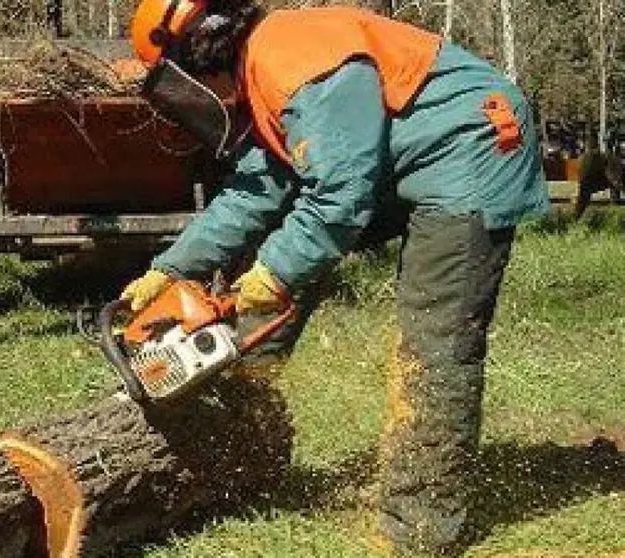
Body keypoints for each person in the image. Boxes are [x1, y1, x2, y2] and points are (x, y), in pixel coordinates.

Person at [118, 1, 550, 556]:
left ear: (191, 60)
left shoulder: (293, 60)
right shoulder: (265, 72)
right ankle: (245, 416)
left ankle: (417, 528)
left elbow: (340, 195)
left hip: (470, 148)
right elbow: (256, 191)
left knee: (434, 340)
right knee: (275, 245)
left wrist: (273, 274)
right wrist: (171, 268)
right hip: (395, 161)